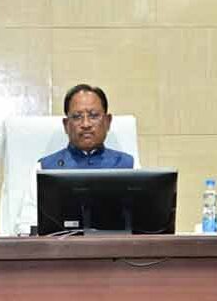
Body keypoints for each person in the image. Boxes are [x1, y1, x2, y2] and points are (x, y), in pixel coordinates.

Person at [15, 84, 136, 234]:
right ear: (66, 125)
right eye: (77, 117)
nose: (86, 124)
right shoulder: (44, 169)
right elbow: (26, 227)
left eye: (93, 115)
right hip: (61, 248)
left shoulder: (129, 166)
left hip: (116, 248)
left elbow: (146, 223)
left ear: (107, 121)